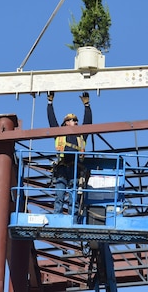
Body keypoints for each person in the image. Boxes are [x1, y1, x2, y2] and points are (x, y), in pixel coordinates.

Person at [47, 91, 92, 221]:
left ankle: (73, 217)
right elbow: (51, 120)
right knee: (60, 195)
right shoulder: (59, 134)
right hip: (62, 168)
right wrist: (50, 103)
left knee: (73, 196)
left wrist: (87, 106)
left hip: (75, 169)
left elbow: (88, 123)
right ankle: (57, 217)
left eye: (76, 120)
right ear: (66, 123)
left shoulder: (81, 135)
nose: (75, 122)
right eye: (72, 120)